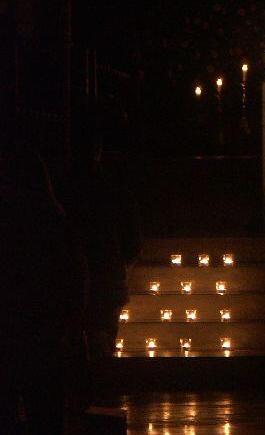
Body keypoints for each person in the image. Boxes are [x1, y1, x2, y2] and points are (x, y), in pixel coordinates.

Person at [0, 140, 88, 432]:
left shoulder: (12, 229)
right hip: (46, 338)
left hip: (13, 336)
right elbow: (76, 279)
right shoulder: (57, 225)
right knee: (46, 416)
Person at [63, 134, 143, 360]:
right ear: (98, 152)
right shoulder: (116, 192)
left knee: (73, 352)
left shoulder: (63, 191)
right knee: (102, 347)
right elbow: (133, 244)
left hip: (70, 280)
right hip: (108, 281)